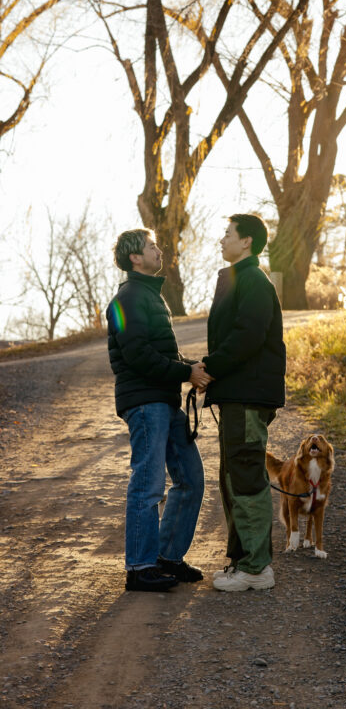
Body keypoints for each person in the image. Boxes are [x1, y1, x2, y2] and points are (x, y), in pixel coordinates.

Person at [106, 228, 212, 593]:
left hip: (164, 401)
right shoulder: (127, 298)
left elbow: (162, 353)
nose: (158, 249)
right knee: (148, 484)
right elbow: (137, 355)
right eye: (151, 246)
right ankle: (139, 567)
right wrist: (185, 373)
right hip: (145, 403)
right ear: (135, 258)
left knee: (191, 478)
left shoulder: (149, 295)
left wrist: (193, 368)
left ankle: (167, 557)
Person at [199, 213, 286, 592]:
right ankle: (241, 561)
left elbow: (247, 335)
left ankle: (256, 568)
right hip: (237, 395)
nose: (222, 239)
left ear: (247, 240)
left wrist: (209, 368)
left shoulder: (254, 281)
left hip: (248, 396)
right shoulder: (240, 278)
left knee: (246, 474)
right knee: (234, 476)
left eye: (228, 233)